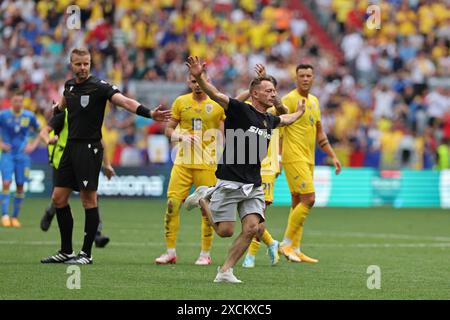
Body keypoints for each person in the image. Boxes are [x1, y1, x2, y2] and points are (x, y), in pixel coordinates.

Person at [40, 48, 171, 265]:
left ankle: (86, 254)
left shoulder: (100, 87)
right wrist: (55, 108)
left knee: (88, 200)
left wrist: (149, 113)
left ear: (90, 64)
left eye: (86, 64)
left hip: (89, 149)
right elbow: (62, 105)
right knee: (58, 198)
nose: (83, 68)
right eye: (78, 64)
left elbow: (125, 102)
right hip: (70, 149)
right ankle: (65, 251)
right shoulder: (69, 86)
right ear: (71, 64)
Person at [184, 56, 305, 283]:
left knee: (252, 228)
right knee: (225, 231)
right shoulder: (240, 110)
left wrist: (299, 113)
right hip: (230, 179)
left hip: (253, 183)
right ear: (255, 93)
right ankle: (203, 198)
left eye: (274, 91)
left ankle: (225, 271)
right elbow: (215, 94)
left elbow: (286, 119)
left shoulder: (269, 119)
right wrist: (199, 76)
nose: (273, 94)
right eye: (268, 90)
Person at [154, 74, 225, 266]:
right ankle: (170, 252)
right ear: (188, 83)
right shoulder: (180, 102)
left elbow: (223, 132)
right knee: (172, 205)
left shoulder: (217, 104)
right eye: (194, 81)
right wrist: (180, 136)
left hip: (207, 165)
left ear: (208, 82)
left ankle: (205, 254)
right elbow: (168, 129)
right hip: (183, 163)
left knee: (207, 210)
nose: (198, 85)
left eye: (201, 81)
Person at [279, 64, 342, 263]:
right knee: (310, 199)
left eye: (308, 76)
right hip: (293, 156)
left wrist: (333, 155)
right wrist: (278, 157)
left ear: (313, 78)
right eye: (301, 76)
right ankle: (285, 243)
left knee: (298, 201)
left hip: (309, 158)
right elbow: (279, 128)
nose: (305, 79)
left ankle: (295, 249)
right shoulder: (288, 99)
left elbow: (320, 132)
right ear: (296, 78)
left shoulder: (314, 101)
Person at [39, 108, 114, 248]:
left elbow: (100, 140)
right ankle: (51, 211)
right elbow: (44, 131)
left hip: (82, 160)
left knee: (92, 197)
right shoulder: (63, 114)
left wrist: (107, 164)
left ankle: (97, 234)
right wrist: (49, 139)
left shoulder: (89, 116)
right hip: (62, 161)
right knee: (60, 198)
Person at [0, 91, 41, 228]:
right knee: (6, 182)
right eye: (15, 101)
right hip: (8, 155)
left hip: (23, 156)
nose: (18, 103)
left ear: (22, 102)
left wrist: (33, 145)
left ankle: (15, 217)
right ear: (11, 101)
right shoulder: (3, 115)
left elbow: (41, 130)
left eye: (20, 101)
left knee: (20, 185)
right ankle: (5, 216)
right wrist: (1, 144)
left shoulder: (29, 116)